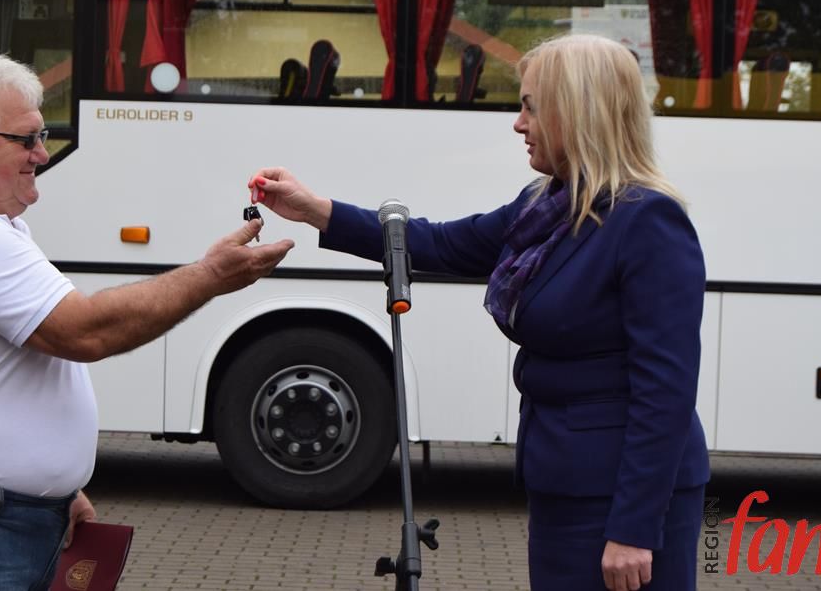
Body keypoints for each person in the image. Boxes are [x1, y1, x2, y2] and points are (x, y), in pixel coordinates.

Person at [248, 34, 709, 591]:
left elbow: (666, 392)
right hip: (562, 480)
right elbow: (441, 243)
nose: (518, 123)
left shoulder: (648, 222)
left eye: (530, 107)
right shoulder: (545, 207)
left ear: (576, 112)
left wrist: (634, 529)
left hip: (623, 503)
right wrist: (318, 211)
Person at [0, 49, 294, 590]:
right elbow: (85, 332)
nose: (41, 154)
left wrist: (54, 490)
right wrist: (210, 275)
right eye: (26, 139)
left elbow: (7, 370)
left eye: (42, 136)